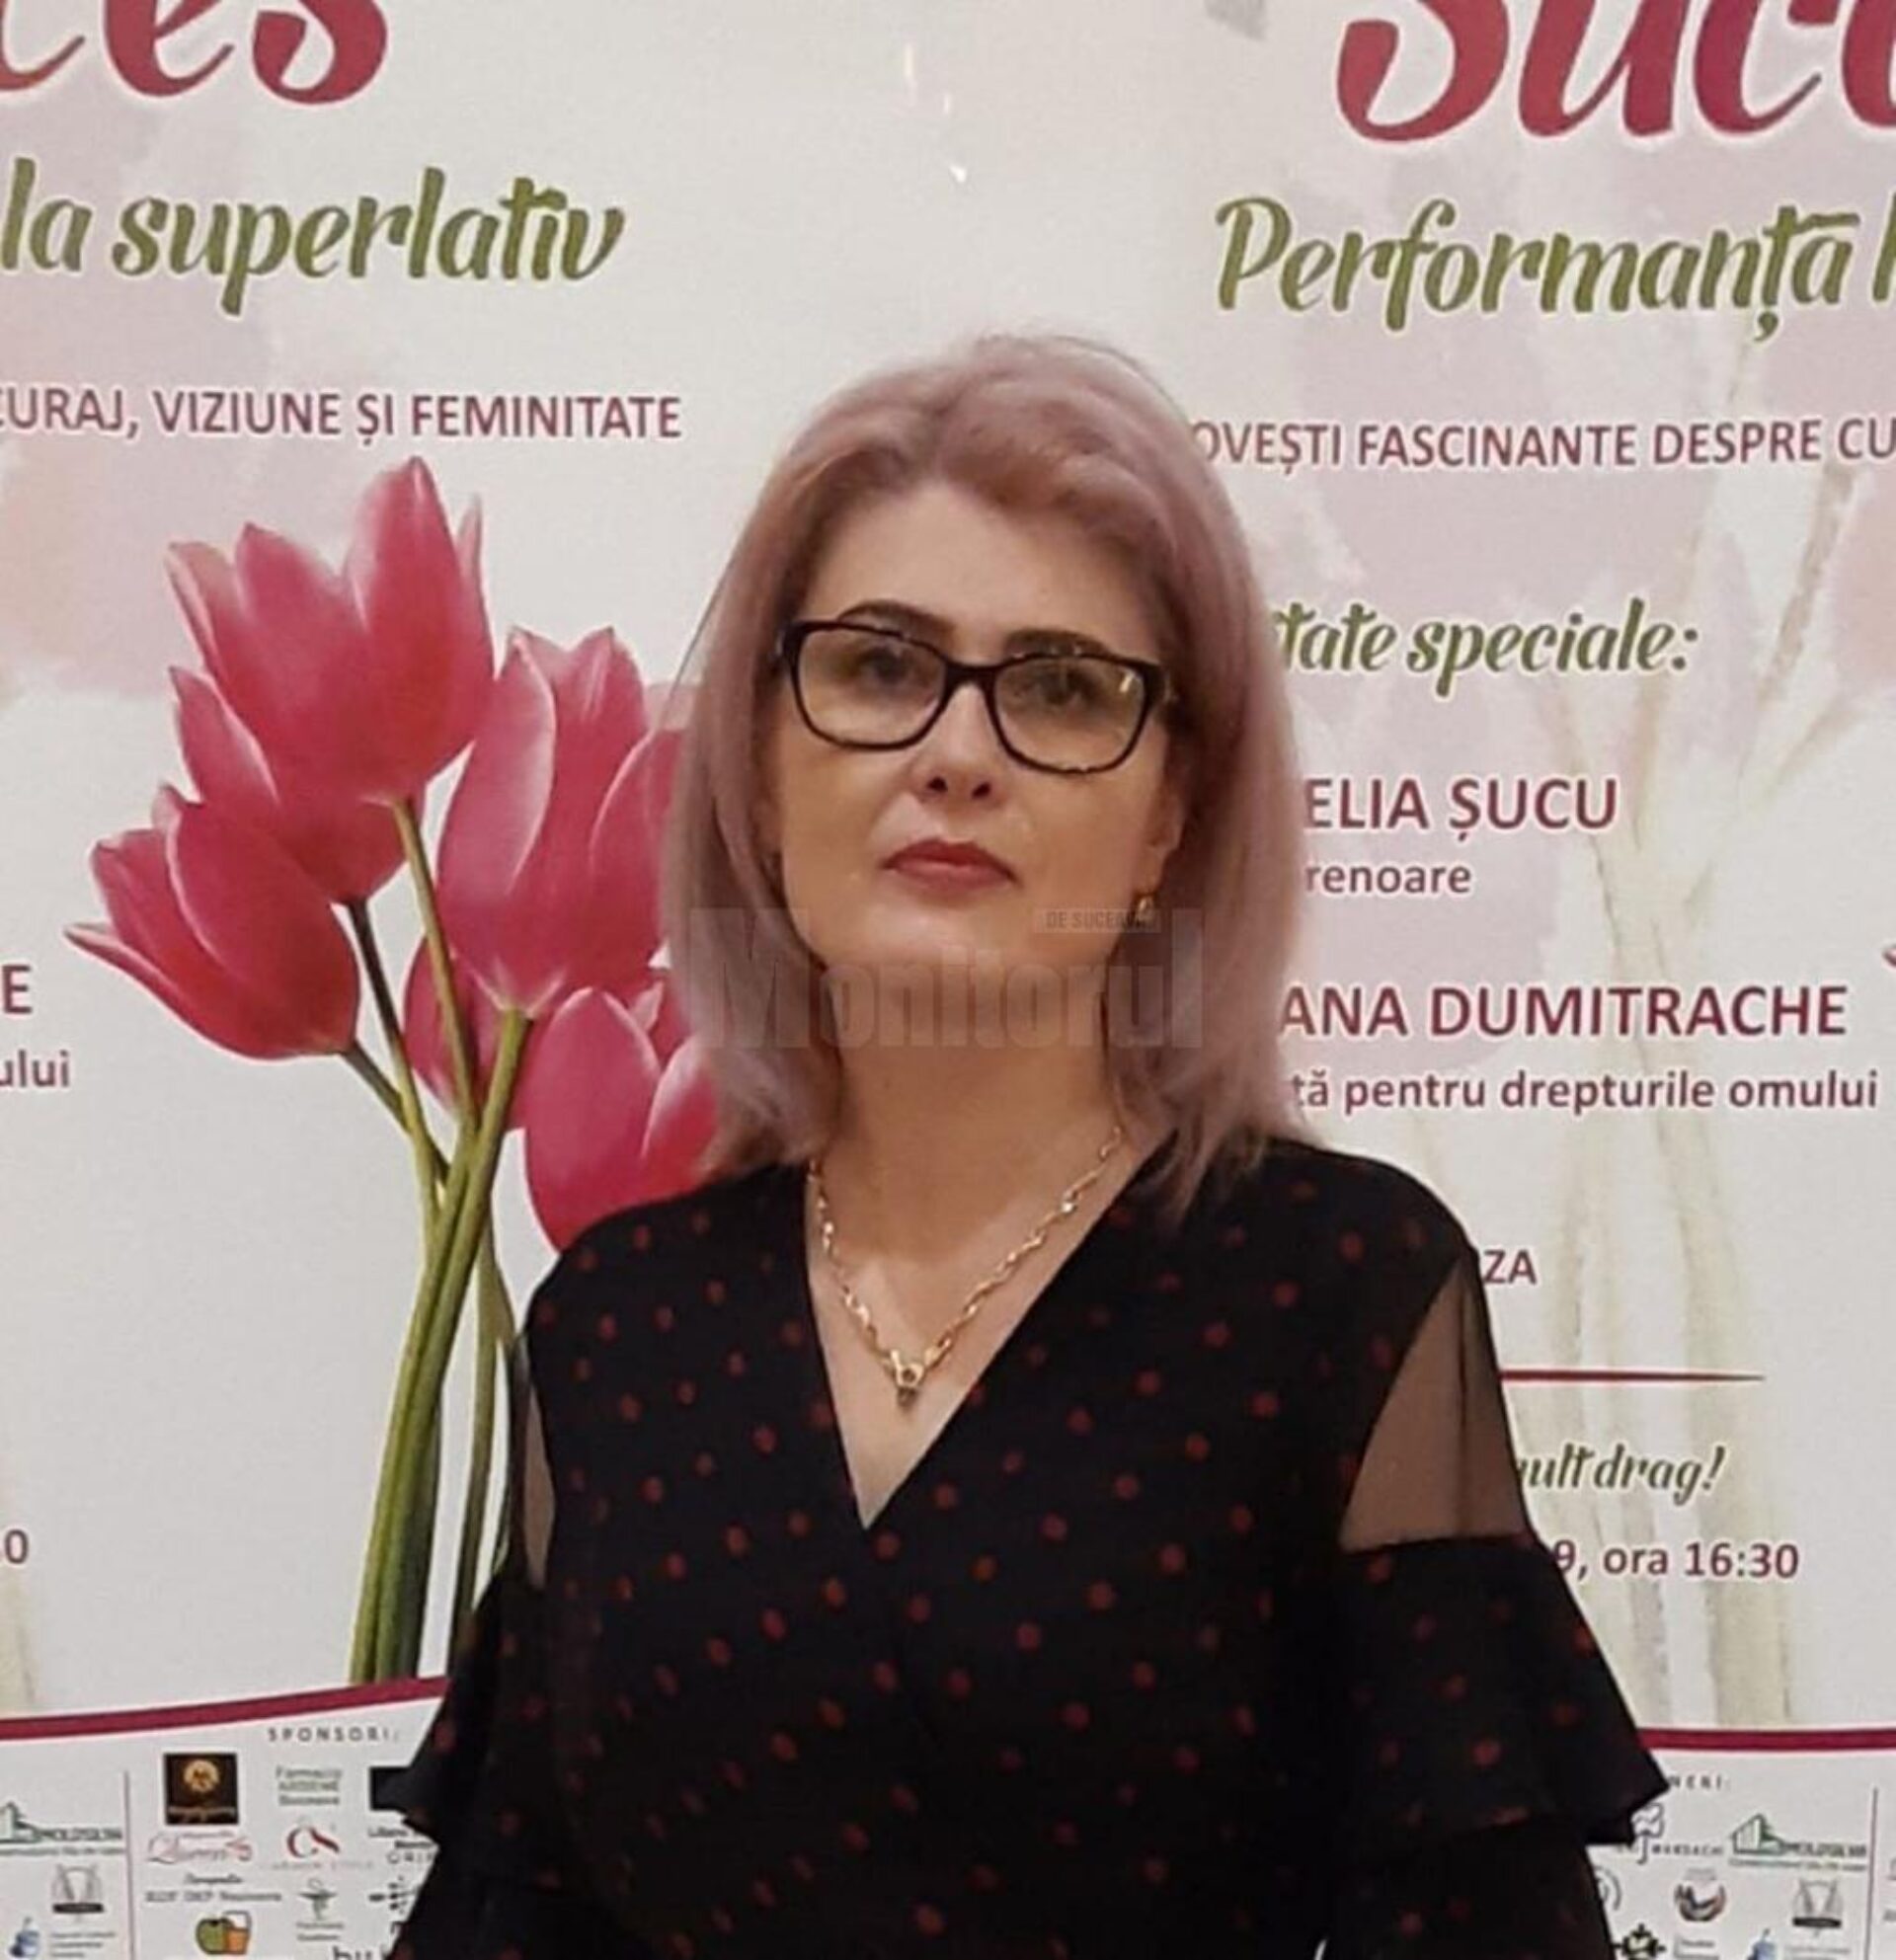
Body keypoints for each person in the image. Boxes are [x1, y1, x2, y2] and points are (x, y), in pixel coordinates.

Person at [382, 331, 1667, 1959]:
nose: (957, 753)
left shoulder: (1339, 1293)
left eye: (1062, 688)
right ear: (761, 769)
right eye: (879, 668)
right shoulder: (615, 1326)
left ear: (1171, 813)